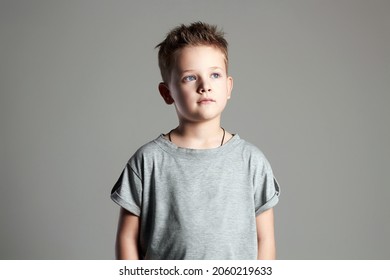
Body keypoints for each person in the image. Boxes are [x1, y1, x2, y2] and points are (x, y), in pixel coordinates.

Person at [111, 22, 280, 260]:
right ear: (167, 93)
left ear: (228, 86)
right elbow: (127, 237)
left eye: (215, 74)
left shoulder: (251, 161)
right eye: (190, 77)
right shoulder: (148, 161)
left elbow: (266, 239)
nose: (205, 86)